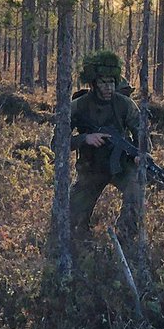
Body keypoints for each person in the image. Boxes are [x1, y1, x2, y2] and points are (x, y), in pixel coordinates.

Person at [65, 49, 145, 267]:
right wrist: (84, 139)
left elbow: (141, 133)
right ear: (93, 83)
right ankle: (81, 252)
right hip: (91, 169)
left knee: (136, 192)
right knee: (70, 221)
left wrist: (140, 154)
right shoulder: (78, 106)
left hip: (121, 166)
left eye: (112, 82)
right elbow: (58, 143)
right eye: (103, 82)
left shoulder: (125, 104)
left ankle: (125, 241)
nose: (109, 87)